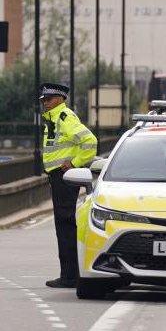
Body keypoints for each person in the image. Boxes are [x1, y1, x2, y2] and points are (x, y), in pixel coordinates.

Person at [38, 83, 97, 288]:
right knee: (64, 225)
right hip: (58, 177)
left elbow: (90, 142)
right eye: (43, 100)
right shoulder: (54, 118)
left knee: (65, 226)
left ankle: (70, 276)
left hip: (64, 178)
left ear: (61, 99)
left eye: (49, 99)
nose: (45, 102)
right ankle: (70, 274)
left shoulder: (65, 117)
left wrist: (74, 163)